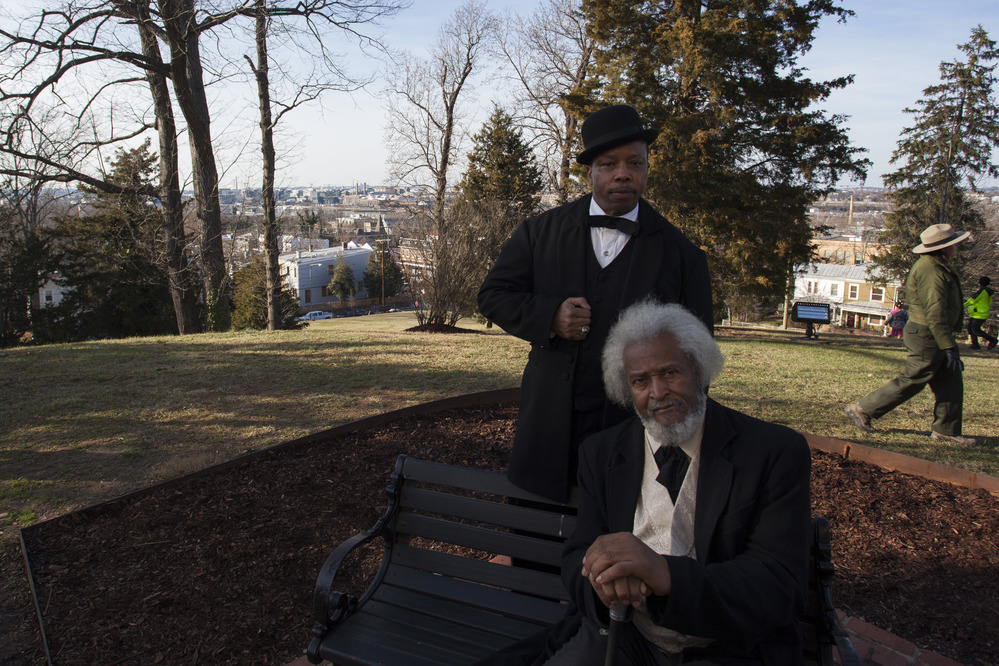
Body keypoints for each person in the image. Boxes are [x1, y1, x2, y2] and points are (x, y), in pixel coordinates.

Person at [480, 300, 811, 665]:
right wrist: (602, 580)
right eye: (640, 381)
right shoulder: (601, 453)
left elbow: (780, 583)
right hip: (622, 637)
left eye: (670, 373)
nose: (657, 392)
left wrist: (665, 575)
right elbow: (578, 556)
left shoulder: (773, 452)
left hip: (728, 647)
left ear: (699, 369)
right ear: (626, 388)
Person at [477, 104, 714, 502]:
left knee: (617, 528)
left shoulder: (682, 255)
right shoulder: (539, 233)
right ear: (590, 172)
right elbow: (493, 296)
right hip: (547, 424)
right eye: (608, 164)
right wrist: (550, 316)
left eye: (635, 163)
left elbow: (699, 358)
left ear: (647, 168)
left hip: (635, 433)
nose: (623, 174)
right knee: (535, 528)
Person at [845, 223, 975, 445]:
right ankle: (863, 408)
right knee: (915, 378)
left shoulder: (936, 266)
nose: (957, 248)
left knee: (950, 382)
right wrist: (948, 346)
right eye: (954, 244)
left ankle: (946, 430)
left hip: (933, 332)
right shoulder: (931, 271)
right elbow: (935, 312)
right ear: (942, 248)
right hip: (927, 334)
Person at [963, 276, 996, 350]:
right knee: (970, 329)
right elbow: (990, 302)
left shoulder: (981, 291)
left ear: (979, 282)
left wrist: (962, 305)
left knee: (975, 330)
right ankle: (975, 345)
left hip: (979, 314)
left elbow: (972, 301)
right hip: (978, 313)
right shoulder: (987, 291)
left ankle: (993, 340)